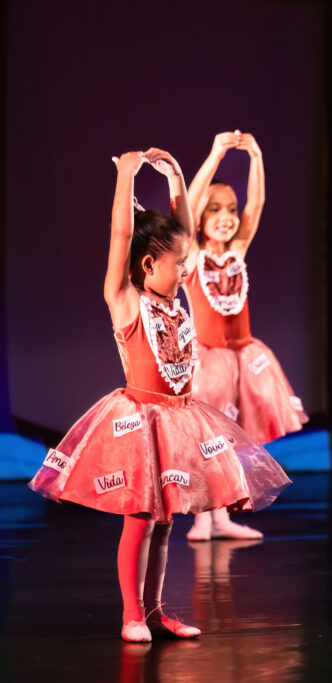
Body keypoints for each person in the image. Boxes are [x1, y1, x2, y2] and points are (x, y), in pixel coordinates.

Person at [27, 149, 290, 641]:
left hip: (180, 419)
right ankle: (131, 613)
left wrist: (174, 177)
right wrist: (127, 174)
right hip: (139, 422)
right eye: (179, 263)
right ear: (149, 264)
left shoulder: (173, 299)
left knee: (167, 521)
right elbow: (121, 235)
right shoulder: (126, 299)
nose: (187, 270)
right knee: (141, 518)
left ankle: (154, 610)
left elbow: (184, 233)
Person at [183, 131, 308, 541]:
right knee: (208, 443)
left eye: (230, 209)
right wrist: (217, 151)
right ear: (199, 218)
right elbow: (185, 205)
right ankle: (203, 517)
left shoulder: (237, 252)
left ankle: (223, 517)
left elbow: (256, 205)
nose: (226, 215)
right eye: (214, 209)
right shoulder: (190, 259)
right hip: (209, 363)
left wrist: (256, 156)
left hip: (245, 360)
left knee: (235, 443)